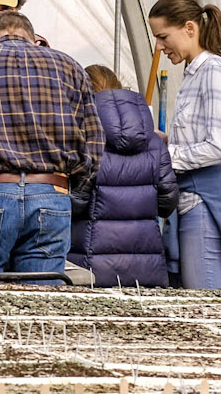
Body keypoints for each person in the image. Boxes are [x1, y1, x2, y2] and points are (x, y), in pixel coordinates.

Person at [0, 11, 102, 279]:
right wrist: (65, 185)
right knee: (39, 305)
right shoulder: (70, 67)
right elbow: (93, 147)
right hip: (51, 195)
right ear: (35, 41)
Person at [149, 0, 221, 289]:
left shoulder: (214, 70)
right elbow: (198, 136)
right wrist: (164, 139)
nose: (159, 47)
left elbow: (219, 147)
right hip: (187, 200)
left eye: (162, 37)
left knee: (202, 304)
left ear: (189, 28)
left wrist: (164, 157)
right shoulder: (193, 73)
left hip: (205, 203)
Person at [69, 65, 176, 287]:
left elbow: (77, 203)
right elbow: (167, 203)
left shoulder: (85, 140)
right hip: (147, 268)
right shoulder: (155, 143)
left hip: (92, 267)